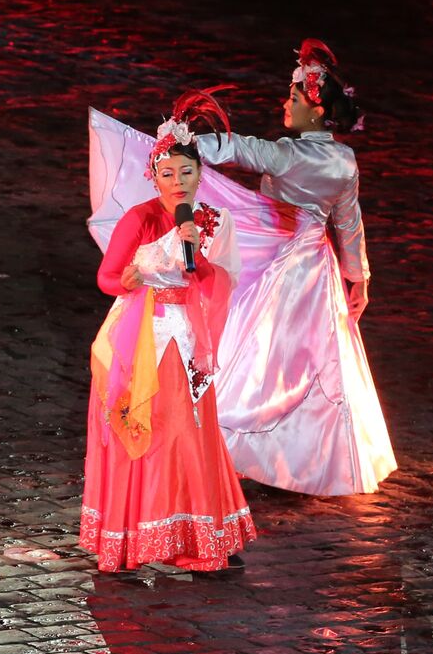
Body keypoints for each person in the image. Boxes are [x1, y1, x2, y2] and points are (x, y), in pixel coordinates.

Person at [193, 39, 396, 496]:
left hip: (277, 261)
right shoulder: (345, 162)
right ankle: (303, 455)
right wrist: (358, 276)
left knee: (258, 352)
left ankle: (243, 445)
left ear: (318, 111)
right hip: (316, 268)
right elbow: (349, 220)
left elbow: (243, 150)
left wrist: (190, 143)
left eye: (294, 97)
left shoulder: (290, 154)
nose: (285, 103)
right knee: (312, 360)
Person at [81, 92, 257, 574]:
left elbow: (219, 281)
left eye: (186, 172)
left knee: (188, 432)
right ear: (153, 176)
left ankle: (195, 537)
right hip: (140, 336)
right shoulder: (139, 218)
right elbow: (107, 278)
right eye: (167, 173)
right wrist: (130, 281)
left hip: (187, 338)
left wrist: (195, 255)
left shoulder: (214, 223)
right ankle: (130, 537)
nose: (178, 183)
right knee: (141, 431)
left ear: (201, 174)